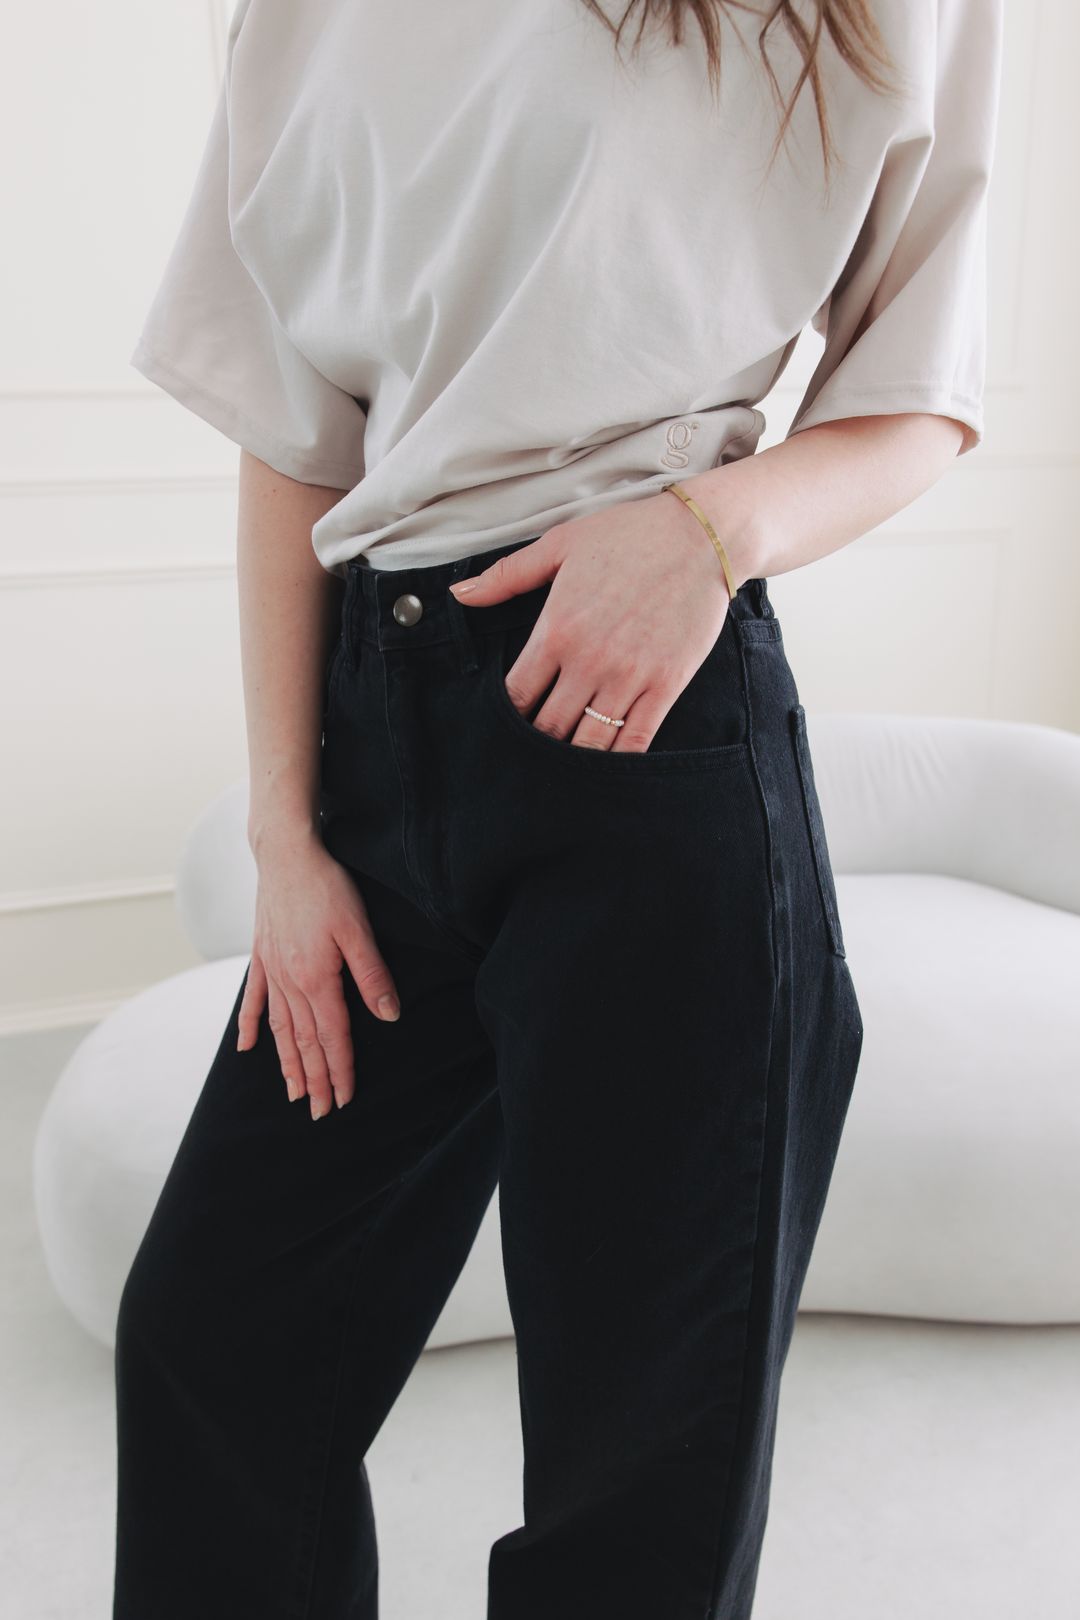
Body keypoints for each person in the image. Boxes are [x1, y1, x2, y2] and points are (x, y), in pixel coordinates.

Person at [111, 2, 1004, 1616]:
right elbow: (296, 432)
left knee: (634, 1491)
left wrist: (709, 533)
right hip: (370, 740)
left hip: (647, 748)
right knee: (214, 1347)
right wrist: (284, 834)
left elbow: (920, 390)